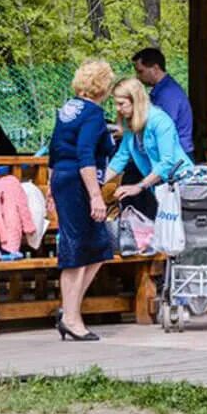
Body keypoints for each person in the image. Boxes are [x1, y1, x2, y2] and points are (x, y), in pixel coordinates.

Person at [50, 59, 117, 340]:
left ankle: (69, 309)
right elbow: (85, 156)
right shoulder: (92, 114)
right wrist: (95, 197)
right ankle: (71, 318)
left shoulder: (67, 110)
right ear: (103, 86)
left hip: (61, 180)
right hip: (79, 183)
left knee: (99, 246)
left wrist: (48, 190)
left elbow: (54, 151)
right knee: (76, 249)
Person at [107, 76, 192, 223]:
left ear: (136, 101)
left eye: (121, 104)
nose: (117, 109)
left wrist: (139, 186)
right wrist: (97, 184)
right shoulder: (131, 124)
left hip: (180, 185)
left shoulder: (160, 121)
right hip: (159, 187)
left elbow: (166, 162)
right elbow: (121, 157)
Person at [131, 47, 195, 156]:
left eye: (141, 71)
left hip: (176, 156)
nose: (138, 77)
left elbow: (162, 129)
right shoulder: (162, 90)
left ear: (155, 69)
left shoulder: (168, 94)